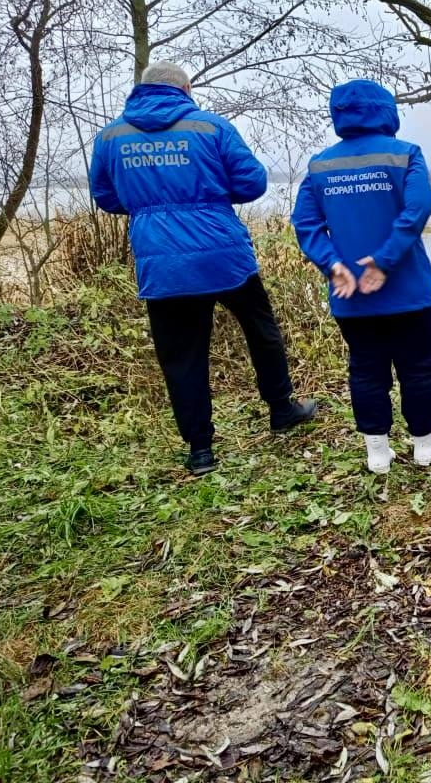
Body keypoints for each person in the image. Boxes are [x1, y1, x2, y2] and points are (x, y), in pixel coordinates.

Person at [89, 62, 315, 476]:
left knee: (181, 355)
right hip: (222, 253)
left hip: (162, 260)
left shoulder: (111, 136)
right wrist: (208, 197)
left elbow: (105, 196)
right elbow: (253, 182)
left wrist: (150, 207)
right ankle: (282, 410)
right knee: (261, 331)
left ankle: (200, 450)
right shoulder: (211, 127)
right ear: (186, 88)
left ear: (141, 89)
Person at [291, 79, 431, 474]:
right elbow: (418, 207)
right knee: (418, 367)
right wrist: (384, 259)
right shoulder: (406, 154)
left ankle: (377, 452)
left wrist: (333, 264)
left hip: (351, 293)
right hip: (409, 289)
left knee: (366, 369)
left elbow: (305, 224)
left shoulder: (321, 165)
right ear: (386, 110)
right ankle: (424, 446)